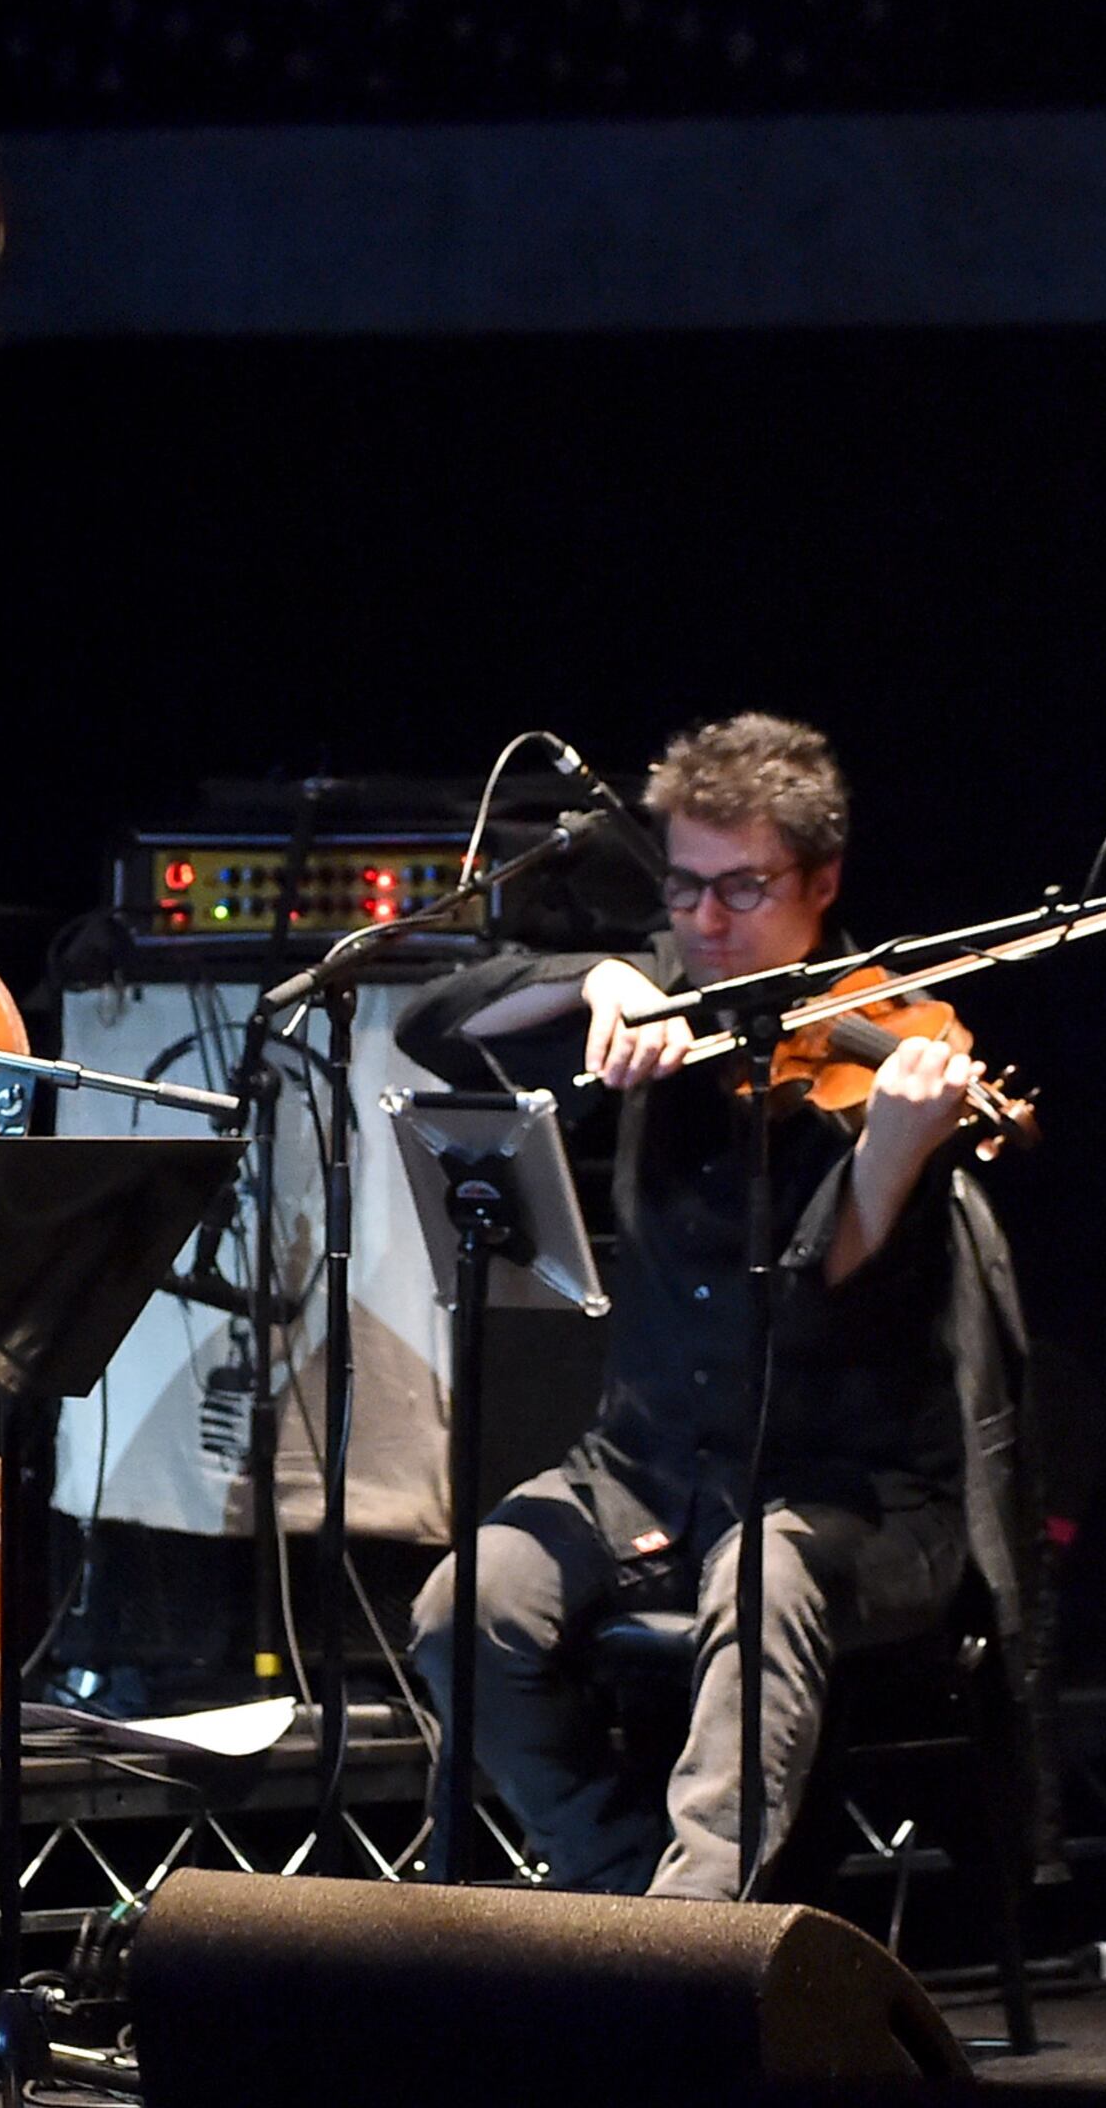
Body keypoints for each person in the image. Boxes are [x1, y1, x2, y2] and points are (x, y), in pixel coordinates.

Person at [393, 713, 980, 1899]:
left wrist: (895, 1152)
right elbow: (430, 1024)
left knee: (759, 1576)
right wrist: (597, 975)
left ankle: (696, 1938)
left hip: (852, 1501)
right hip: (646, 1472)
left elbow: (817, 1296)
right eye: (685, 887)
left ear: (820, 882)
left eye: (744, 891)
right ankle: (617, 1891)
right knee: (468, 1606)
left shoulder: (896, 1045)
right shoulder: (663, 1000)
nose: (706, 924)